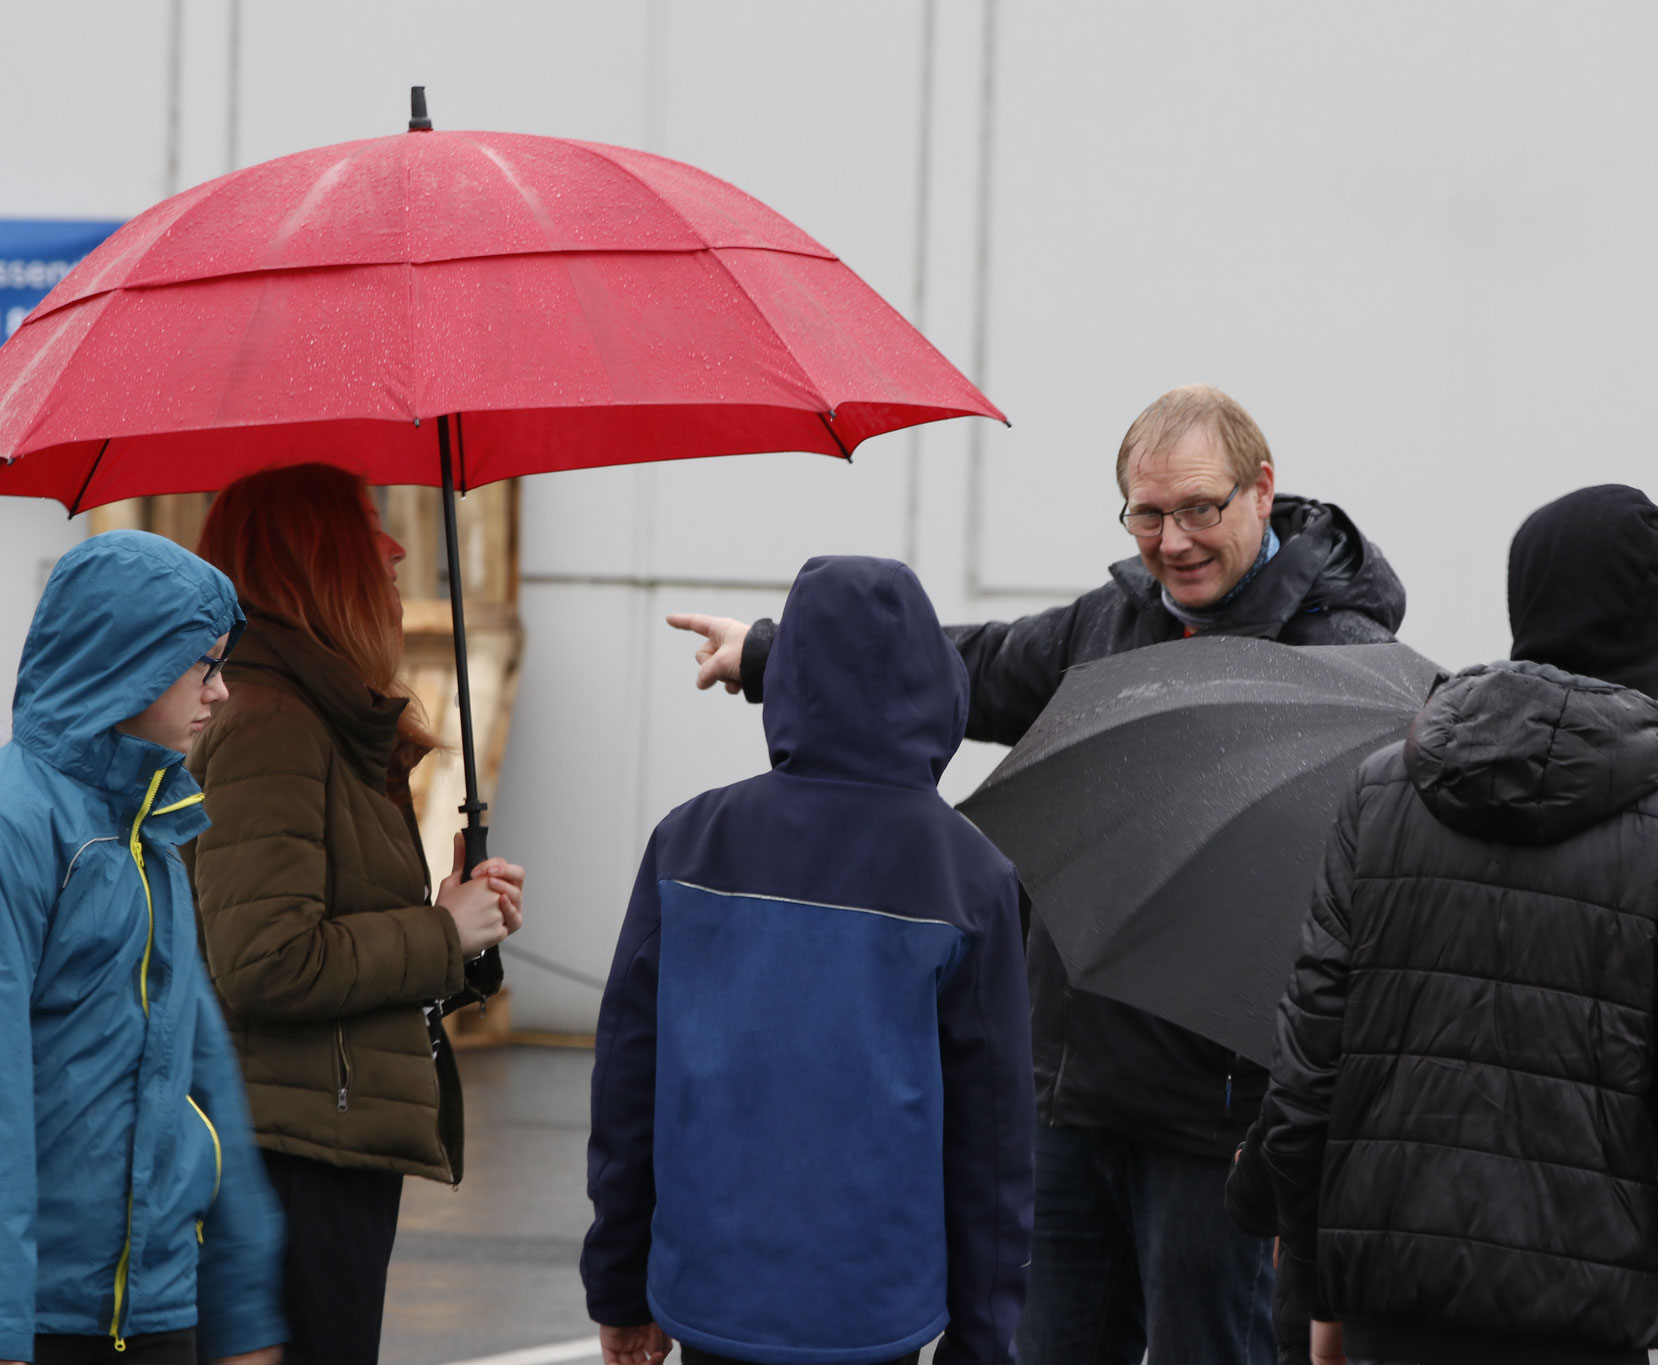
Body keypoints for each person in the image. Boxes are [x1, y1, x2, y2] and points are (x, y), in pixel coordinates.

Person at [674, 383, 1403, 1365]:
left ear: (1260, 490)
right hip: (1069, 1091)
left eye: (1198, 508)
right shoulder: (1111, 623)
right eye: (1146, 514)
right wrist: (771, 652)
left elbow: (1368, 925)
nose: (1172, 540)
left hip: (1218, 1122)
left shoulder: (1347, 664)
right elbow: (963, 666)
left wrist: (1306, 1143)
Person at [1248, 485, 1658, 1365]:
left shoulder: (1383, 792)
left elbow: (1312, 1064)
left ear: (1523, 603)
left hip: (1392, 1302)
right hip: (1579, 1322)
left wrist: (1313, 1283)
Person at [583, 556, 1033, 1365]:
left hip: (710, 1289)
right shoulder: (972, 876)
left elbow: (627, 1083)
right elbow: (994, 1139)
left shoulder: (687, 843)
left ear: (786, 676)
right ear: (938, 682)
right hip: (876, 1307)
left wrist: (618, 1283)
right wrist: (982, 1341)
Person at [184, 464, 526, 1365]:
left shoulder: (321, 716)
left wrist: (460, 927)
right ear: (307, 556)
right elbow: (266, 957)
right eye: (366, 524)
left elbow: (334, 943)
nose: (396, 547)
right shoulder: (273, 723)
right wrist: (440, 931)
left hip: (322, 1140)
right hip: (291, 1153)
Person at [0, 530, 285, 1365]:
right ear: (127, 660)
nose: (222, 691)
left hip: (158, 1307)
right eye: (204, 665)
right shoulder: (19, 826)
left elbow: (202, 1075)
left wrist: (240, 1312)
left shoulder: (153, 829)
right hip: (45, 1316)